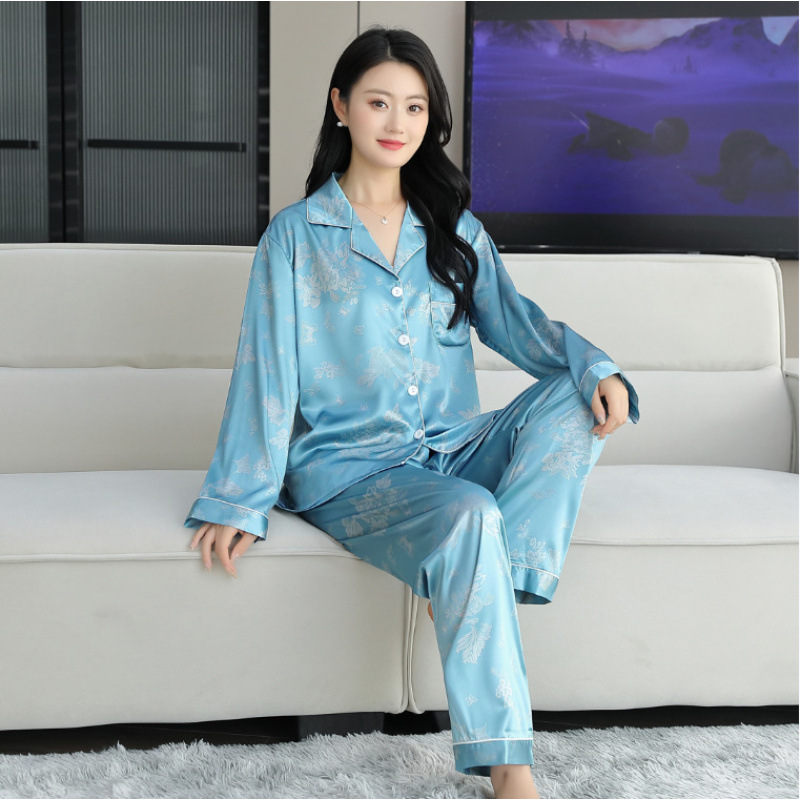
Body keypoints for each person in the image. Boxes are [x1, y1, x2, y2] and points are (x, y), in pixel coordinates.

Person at [185, 26, 639, 800]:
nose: (398, 122)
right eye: (379, 103)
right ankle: (512, 769)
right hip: (353, 468)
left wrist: (597, 366)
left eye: (416, 107)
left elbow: (521, 328)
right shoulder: (296, 238)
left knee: (576, 387)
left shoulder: (454, 230)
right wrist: (239, 497)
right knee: (468, 516)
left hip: (454, 449)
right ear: (340, 107)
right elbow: (267, 374)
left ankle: (482, 579)